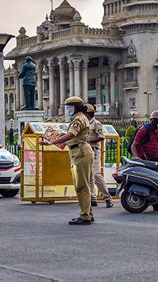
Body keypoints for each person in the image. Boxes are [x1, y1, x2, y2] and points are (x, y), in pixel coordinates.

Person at [40, 96, 94, 225]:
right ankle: (88, 213)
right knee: (83, 184)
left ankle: (85, 215)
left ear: (75, 107)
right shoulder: (79, 118)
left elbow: (71, 135)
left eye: (69, 107)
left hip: (81, 152)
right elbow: (71, 137)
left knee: (81, 185)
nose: (67, 110)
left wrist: (51, 142)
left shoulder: (78, 119)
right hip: (79, 151)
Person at [131, 110, 158, 211]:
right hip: (144, 159)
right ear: (151, 120)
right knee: (147, 181)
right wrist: (136, 156)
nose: (157, 123)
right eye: (155, 121)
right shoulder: (144, 129)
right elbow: (134, 145)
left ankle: (156, 204)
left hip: (155, 158)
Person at [85, 103, 113, 208]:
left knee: (96, 175)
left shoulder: (96, 123)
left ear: (88, 114)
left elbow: (101, 137)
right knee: (88, 176)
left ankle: (107, 198)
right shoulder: (84, 123)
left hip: (94, 150)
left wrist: (89, 141)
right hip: (85, 151)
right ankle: (92, 198)